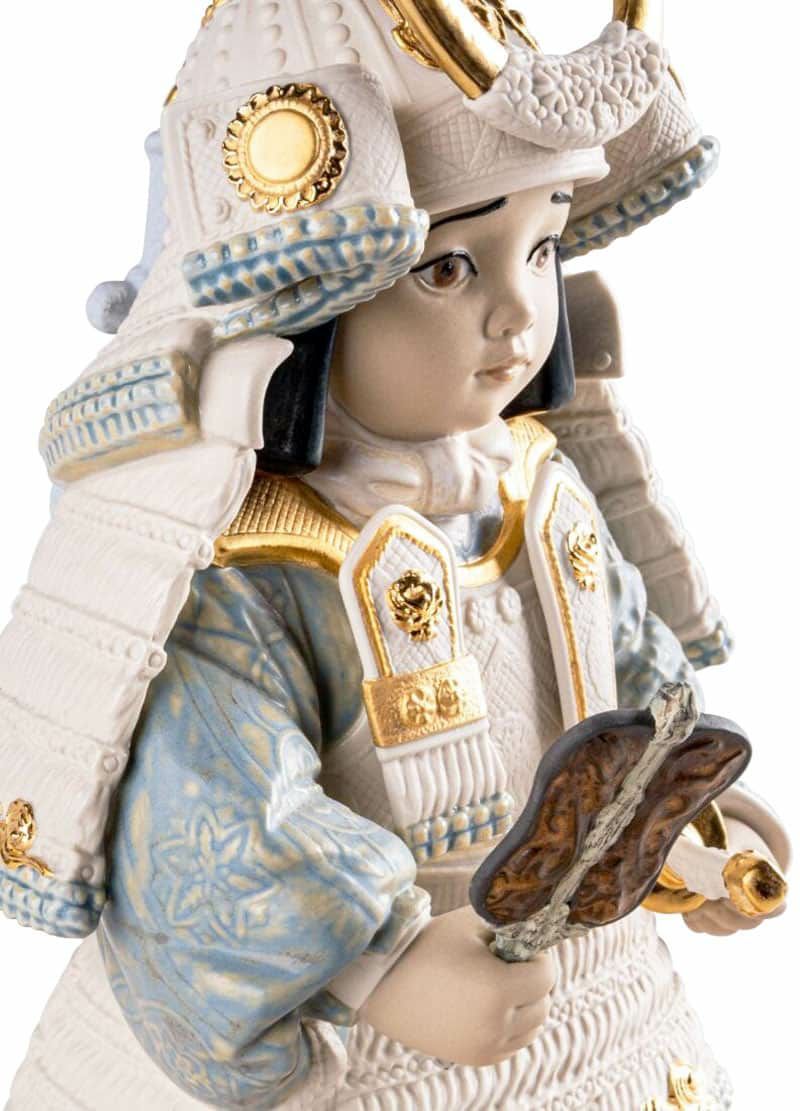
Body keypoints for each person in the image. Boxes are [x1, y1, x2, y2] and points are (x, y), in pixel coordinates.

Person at [1, 2, 790, 1108]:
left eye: (543, 246)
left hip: (606, 1008)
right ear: (303, 303)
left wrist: (690, 822)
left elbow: (634, 686)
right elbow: (210, 829)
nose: (518, 314)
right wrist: (385, 966)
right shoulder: (240, 573)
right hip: (377, 1041)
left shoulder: (542, 495)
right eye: (447, 268)